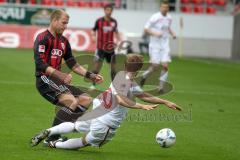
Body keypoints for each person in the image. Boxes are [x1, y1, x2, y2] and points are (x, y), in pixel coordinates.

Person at [30, 54, 181, 149]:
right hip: (106, 122)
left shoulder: (122, 76)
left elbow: (143, 95)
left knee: (76, 126)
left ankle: (50, 131)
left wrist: (165, 101)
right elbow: (120, 99)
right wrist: (141, 106)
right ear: (138, 70)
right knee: (85, 142)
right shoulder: (126, 81)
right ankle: (55, 144)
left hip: (98, 110)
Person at [33, 9, 103, 143]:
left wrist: (90, 75)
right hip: (44, 79)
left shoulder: (64, 41)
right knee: (71, 101)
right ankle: (52, 138)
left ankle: (59, 131)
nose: (65, 26)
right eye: (63, 23)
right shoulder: (43, 38)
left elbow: (72, 63)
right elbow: (39, 63)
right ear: (54, 21)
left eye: (67, 24)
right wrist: (60, 74)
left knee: (85, 99)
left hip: (58, 81)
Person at [140, 0, 176, 93]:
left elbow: (168, 28)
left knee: (165, 66)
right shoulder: (155, 17)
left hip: (165, 45)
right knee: (155, 66)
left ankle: (160, 87)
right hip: (155, 45)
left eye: (166, 7)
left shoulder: (169, 18)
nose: (165, 9)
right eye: (163, 7)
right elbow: (146, 28)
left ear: (168, 8)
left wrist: (173, 33)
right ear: (160, 8)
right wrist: (154, 33)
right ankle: (144, 77)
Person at [90, 3, 121, 89]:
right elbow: (93, 30)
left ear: (112, 11)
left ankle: (114, 86)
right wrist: (93, 36)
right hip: (100, 48)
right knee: (97, 66)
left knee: (114, 67)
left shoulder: (114, 22)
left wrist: (118, 40)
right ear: (104, 11)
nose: (109, 12)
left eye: (110, 10)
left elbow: (116, 32)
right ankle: (93, 85)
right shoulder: (99, 21)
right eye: (107, 10)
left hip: (110, 48)